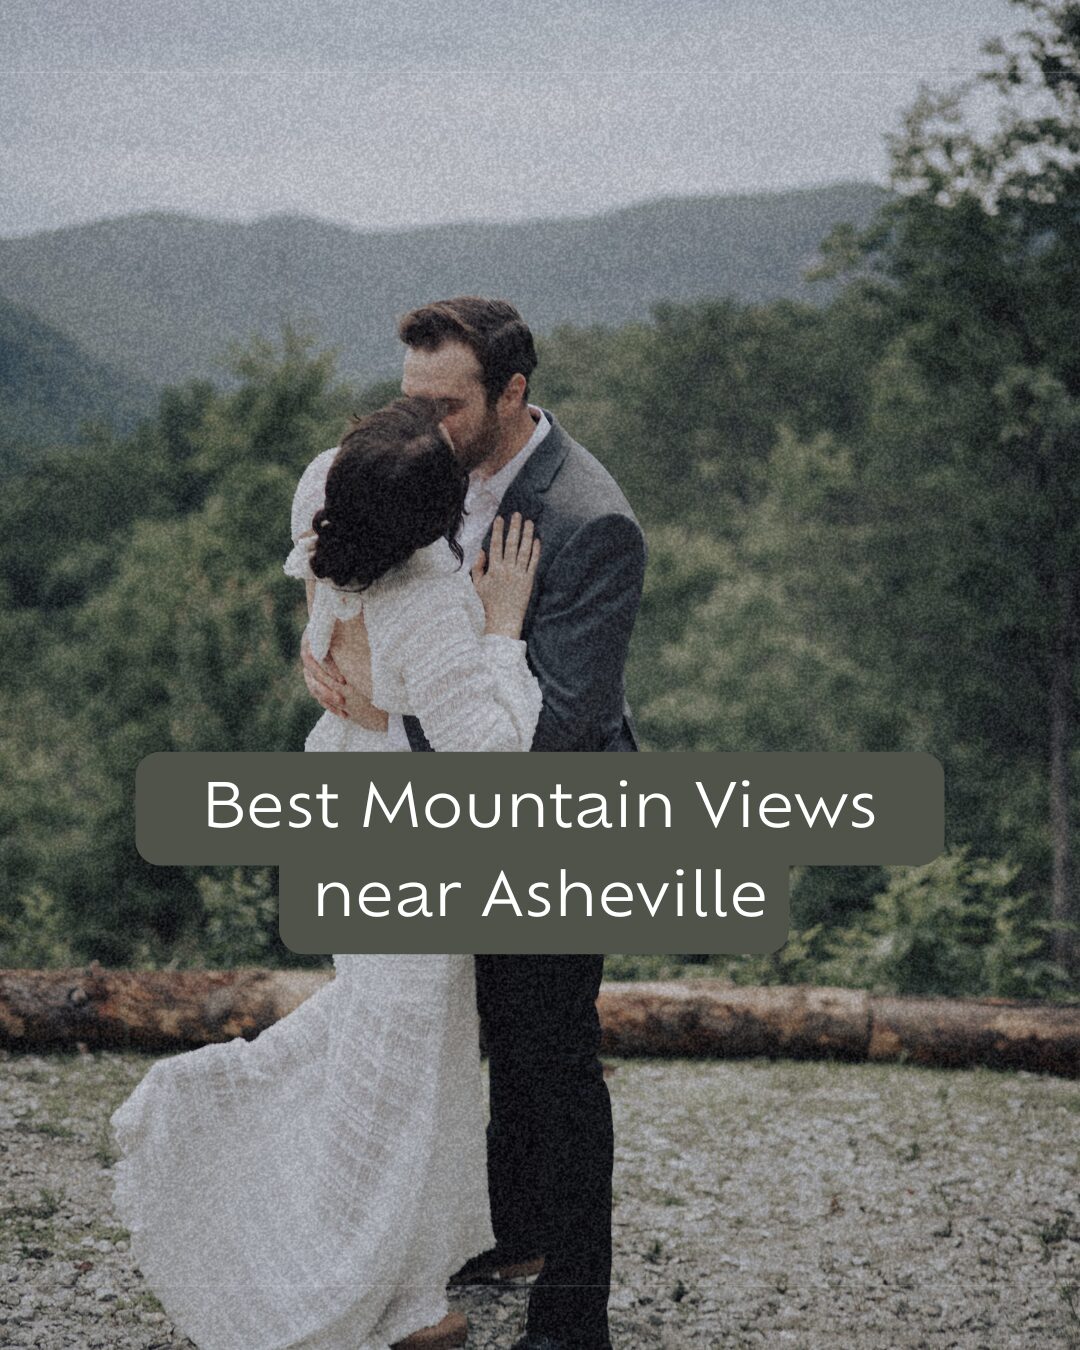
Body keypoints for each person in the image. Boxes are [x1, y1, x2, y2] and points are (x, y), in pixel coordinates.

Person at [111, 395, 544, 1350]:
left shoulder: (322, 496)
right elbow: (489, 756)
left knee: (391, 1033)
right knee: (401, 1054)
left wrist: (372, 703)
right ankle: (357, 1271)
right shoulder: (429, 601)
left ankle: (412, 1276)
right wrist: (503, 628)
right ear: (430, 523)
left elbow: (330, 626)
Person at [303, 298, 647, 1350]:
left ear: (512, 393)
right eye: (410, 399)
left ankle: (573, 1307)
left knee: (550, 1057)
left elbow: (565, 726)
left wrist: (384, 718)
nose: (422, 423)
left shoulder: (590, 521)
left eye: (446, 405)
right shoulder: (400, 468)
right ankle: (504, 1233)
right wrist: (327, 660)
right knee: (463, 1034)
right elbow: (358, 583)